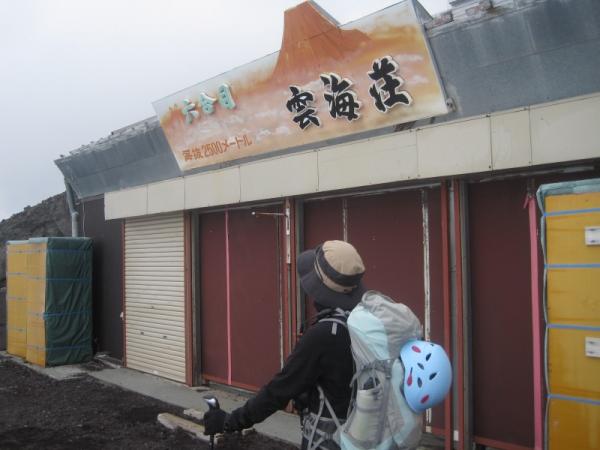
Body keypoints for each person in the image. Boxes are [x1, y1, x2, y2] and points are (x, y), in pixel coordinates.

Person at [203, 240, 366, 450]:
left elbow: (278, 391)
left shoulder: (324, 335)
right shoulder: (364, 322)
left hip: (331, 441)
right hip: (365, 436)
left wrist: (229, 421)